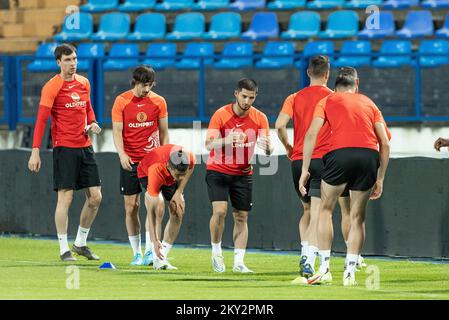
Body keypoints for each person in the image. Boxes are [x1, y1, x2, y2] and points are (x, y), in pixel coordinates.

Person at [299, 67, 390, 286]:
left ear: (335, 86)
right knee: (357, 217)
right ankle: (350, 272)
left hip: (339, 154)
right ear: (356, 85)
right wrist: (381, 177)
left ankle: (325, 268)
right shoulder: (369, 103)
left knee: (325, 211)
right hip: (368, 155)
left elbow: (311, 134)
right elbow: (385, 143)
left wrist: (305, 169)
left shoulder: (327, 101)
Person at [275, 55, 351, 280]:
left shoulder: (294, 97)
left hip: (298, 160)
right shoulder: (333, 98)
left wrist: (288, 146)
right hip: (324, 160)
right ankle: (309, 258)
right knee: (319, 212)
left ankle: (304, 252)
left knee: (307, 210)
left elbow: (279, 125)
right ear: (327, 74)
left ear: (308, 73)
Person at [27, 43, 102, 261]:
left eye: (75, 59)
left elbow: (87, 108)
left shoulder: (84, 83)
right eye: (68, 60)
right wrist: (35, 151)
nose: (73, 64)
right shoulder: (52, 86)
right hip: (64, 147)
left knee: (96, 197)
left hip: (85, 146)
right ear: (59, 62)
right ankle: (63, 248)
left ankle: (80, 243)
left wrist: (93, 122)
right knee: (66, 198)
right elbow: (41, 121)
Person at [205, 78, 273, 273]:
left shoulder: (260, 118)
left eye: (251, 98)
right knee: (219, 212)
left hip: (243, 173)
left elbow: (268, 149)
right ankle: (216, 252)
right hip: (218, 170)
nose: (247, 101)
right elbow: (208, 144)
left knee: (241, 217)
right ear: (236, 94)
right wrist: (227, 139)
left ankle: (239, 262)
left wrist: (268, 148)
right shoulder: (221, 114)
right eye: (244, 96)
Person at [112, 65, 169, 267]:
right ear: (135, 82)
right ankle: (136, 253)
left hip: (151, 161)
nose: (147, 90)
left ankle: (149, 252)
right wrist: (122, 154)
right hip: (129, 161)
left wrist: (164, 155)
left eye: (150, 85)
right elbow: (117, 132)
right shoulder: (121, 101)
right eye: (144, 85)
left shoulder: (159, 101)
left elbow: (163, 132)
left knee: (154, 206)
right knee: (131, 207)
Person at [137, 144, 195, 270]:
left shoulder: (189, 157)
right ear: (169, 166)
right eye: (178, 175)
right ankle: (152, 252)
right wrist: (155, 240)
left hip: (169, 178)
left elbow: (190, 169)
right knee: (158, 208)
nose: (181, 178)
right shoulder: (155, 170)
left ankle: (161, 258)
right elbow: (151, 212)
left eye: (182, 174)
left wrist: (179, 192)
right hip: (146, 173)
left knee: (178, 209)